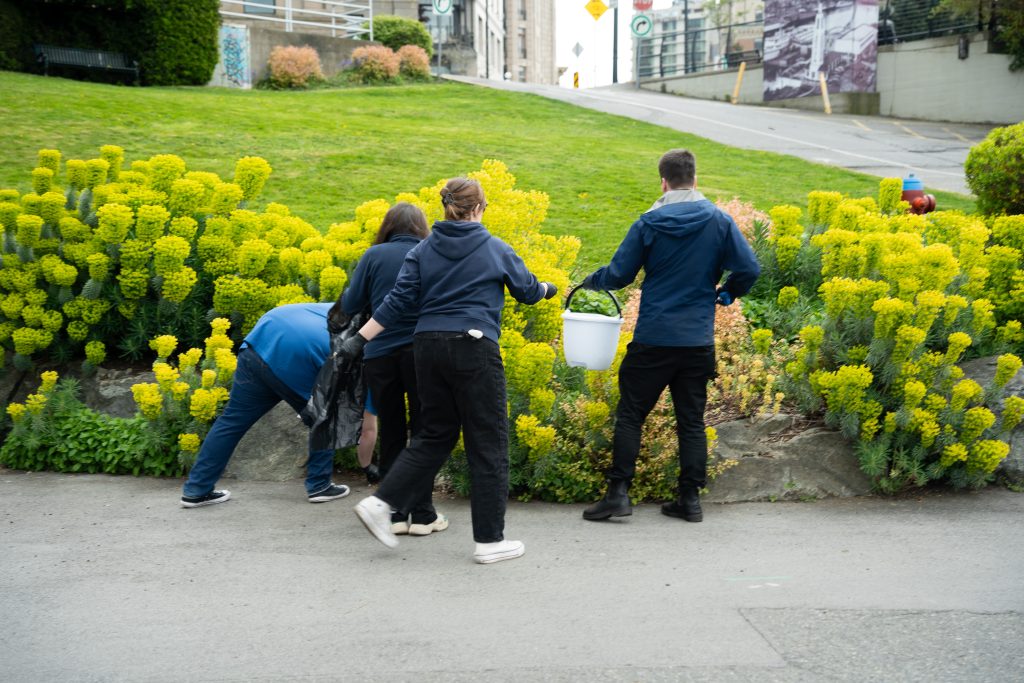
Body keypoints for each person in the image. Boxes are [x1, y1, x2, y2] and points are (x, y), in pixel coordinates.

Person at [342, 177, 557, 564]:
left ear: (445, 208)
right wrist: (547, 288)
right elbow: (526, 291)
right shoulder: (494, 248)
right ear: (478, 209)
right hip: (473, 347)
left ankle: (381, 504)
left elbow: (396, 301)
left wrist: (359, 339)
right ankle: (490, 541)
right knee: (488, 441)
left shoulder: (422, 251)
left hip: (426, 347)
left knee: (435, 433)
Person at [579, 149, 760, 523]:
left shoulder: (649, 222)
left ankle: (618, 495)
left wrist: (592, 281)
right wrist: (728, 292)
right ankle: (690, 500)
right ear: (695, 178)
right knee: (691, 420)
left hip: (654, 338)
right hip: (696, 342)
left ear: (663, 181)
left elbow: (619, 274)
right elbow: (749, 268)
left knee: (631, 415)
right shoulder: (719, 221)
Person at [180, 303, 351, 507]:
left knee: (232, 420)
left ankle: (196, 490)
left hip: (261, 340)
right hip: (294, 352)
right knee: (324, 419)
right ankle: (319, 485)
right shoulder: (371, 328)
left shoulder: (342, 305)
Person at [341, 202, 446, 536]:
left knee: (392, 432)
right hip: (421, 353)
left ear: (388, 226)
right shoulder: (430, 251)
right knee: (425, 430)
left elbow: (352, 302)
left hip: (379, 353)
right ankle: (424, 513)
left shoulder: (374, 255)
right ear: (420, 226)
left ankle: (395, 514)